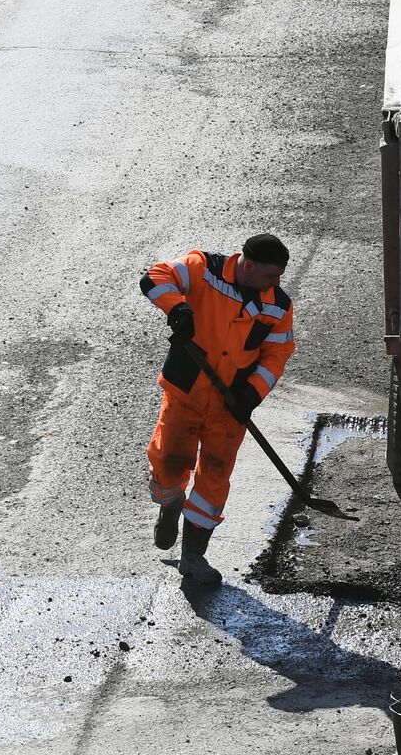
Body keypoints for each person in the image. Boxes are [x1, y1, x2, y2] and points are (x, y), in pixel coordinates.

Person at [138, 233, 296, 585]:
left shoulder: (278, 306)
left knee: (215, 475)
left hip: (229, 405)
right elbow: (155, 277)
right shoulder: (202, 269)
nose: (276, 283)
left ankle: (194, 557)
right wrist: (178, 308)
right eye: (271, 275)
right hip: (186, 392)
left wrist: (252, 395)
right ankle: (169, 506)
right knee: (169, 463)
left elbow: (276, 355)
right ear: (248, 265)